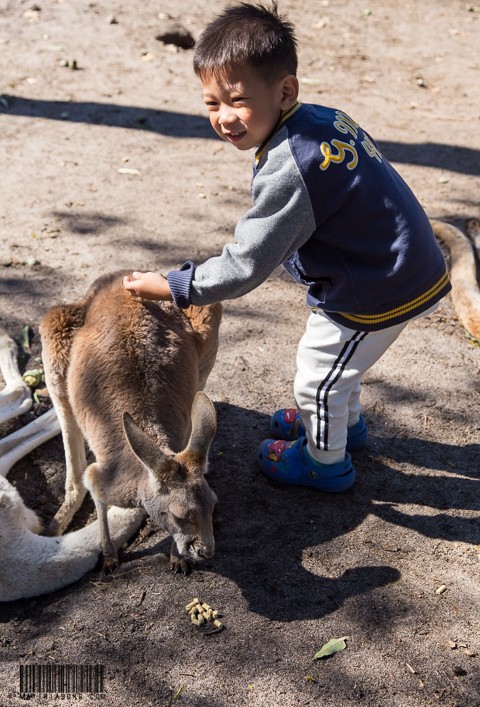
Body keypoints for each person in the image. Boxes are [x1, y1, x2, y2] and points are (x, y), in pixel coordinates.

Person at [123, 2, 451, 492]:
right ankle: (341, 426)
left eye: (238, 100)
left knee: (316, 377)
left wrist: (176, 286)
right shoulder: (319, 119)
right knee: (341, 364)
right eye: (212, 102)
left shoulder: (290, 167)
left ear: (285, 90)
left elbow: (247, 265)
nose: (225, 117)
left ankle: (325, 464)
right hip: (389, 261)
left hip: (377, 286)